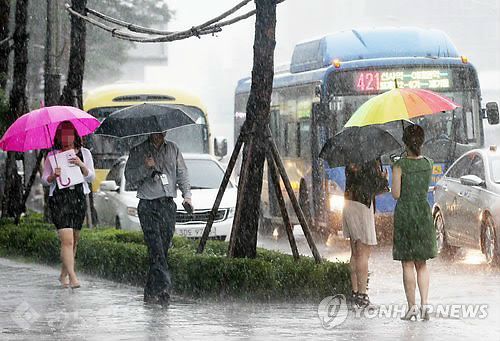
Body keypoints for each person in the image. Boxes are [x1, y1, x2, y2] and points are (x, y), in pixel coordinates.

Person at [125, 132, 192, 305]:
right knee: (155, 247)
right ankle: (164, 287)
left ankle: (150, 291)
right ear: (150, 131)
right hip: (148, 205)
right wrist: (146, 168)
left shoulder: (173, 149)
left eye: (163, 130)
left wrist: (187, 196)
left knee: (162, 249)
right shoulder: (138, 150)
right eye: (157, 130)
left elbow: (182, 173)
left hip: (168, 205)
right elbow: (129, 178)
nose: (161, 133)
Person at [41, 121, 95, 289]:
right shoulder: (52, 156)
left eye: (69, 133)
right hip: (60, 199)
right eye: (62, 134)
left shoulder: (84, 153)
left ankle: (63, 274)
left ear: (75, 135)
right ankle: (73, 277)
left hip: (78, 197)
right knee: (67, 240)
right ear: (57, 136)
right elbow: (44, 179)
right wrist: (52, 176)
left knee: (74, 240)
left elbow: (91, 177)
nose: (66, 137)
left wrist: (80, 164)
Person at [391, 124, 437, 321]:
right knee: (422, 264)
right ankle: (425, 305)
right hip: (423, 215)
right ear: (422, 141)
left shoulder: (400, 165)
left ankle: (412, 308)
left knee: (407, 264)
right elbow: (424, 187)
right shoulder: (428, 163)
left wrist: (397, 166)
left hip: (405, 215)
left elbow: (396, 194)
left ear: (405, 142)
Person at [343, 159, 388, 308]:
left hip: (348, 203)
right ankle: (363, 296)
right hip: (363, 204)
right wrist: (383, 178)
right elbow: (375, 188)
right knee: (363, 253)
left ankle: (355, 293)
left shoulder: (349, 156)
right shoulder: (370, 159)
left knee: (355, 252)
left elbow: (355, 180)